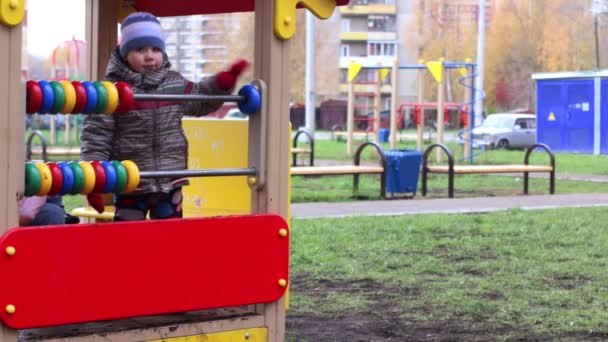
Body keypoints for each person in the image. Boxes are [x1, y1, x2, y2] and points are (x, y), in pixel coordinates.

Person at [81, 12, 249, 221]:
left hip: (170, 181)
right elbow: (96, 137)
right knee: (128, 238)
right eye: (140, 49)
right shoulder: (111, 92)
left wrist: (221, 83)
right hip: (131, 183)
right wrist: (93, 180)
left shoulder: (174, 83)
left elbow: (200, 101)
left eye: (155, 49)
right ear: (124, 53)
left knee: (171, 238)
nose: (149, 56)